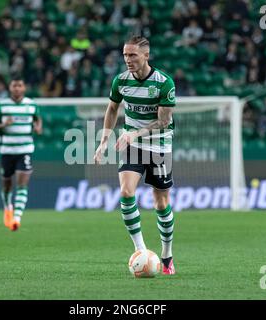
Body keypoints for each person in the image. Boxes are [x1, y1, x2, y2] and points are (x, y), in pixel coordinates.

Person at [94, 36, 177, 275]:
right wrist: (103, 142)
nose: (128, 60)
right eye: (125, 55)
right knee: (126, 191)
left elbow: (164, 121)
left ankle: (167, 255)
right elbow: (112, 108)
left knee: (161, 203)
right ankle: (140, 251)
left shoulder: (164, 83)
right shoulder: (120, 81)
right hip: (133, 145)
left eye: (133, 55)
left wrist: (136, 133)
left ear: (146, 56)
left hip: (160, 146)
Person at [0, 75, 42, 231]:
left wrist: (38, 128)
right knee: (6, 185)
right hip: (6, 150)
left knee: (22, 183)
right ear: (10, 88)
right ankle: (7, 208)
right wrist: (3, 124)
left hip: (24, 150)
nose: (17, 88)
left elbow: (38, 120)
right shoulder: (2, 106)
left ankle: (16, 218)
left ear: (24, 87)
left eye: (20, 85)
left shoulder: (31, 105)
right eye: (14, 85)